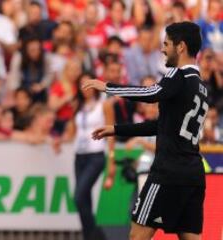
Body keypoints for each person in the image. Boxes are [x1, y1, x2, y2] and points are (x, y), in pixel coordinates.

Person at [82, 22, 208, 240]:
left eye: (166, 43)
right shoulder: (201, 86)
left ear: (181, 47)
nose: (162, 49)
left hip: (168, 173)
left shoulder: (177, 76)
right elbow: (162, 125)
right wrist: (115, 129)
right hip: (193, 175)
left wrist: (109, 87)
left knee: (137, 236)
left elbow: (152, 93)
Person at [62, 73, 116, 240]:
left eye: (88, 83)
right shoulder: (77, 105)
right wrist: (59, 140)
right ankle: (89, 236)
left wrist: (112, 159)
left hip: (95, 155)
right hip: (80, 155)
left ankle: (96, 236)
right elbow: (72, 132)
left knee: (78, 196)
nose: (85, 88)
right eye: (82, 84)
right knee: (84, 200)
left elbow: (111, 132)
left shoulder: (104, 104)